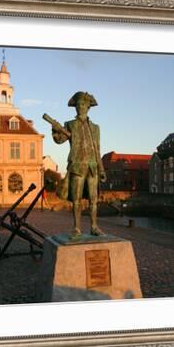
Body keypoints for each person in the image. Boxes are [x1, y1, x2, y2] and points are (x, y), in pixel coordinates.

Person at [51, 91, 107, 239]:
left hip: (93, 167)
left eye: (83, 104)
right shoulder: (70, 125)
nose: (81, 107)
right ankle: (76, 228)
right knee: (76, 200)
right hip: (77, 167)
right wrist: (55, 129)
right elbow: (59, 140)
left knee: (93, 200)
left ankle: (94, 227)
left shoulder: (95, 128)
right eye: (78, 104)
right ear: (75, 107)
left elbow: (97, 149)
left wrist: (101, 169)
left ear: (89, 106)